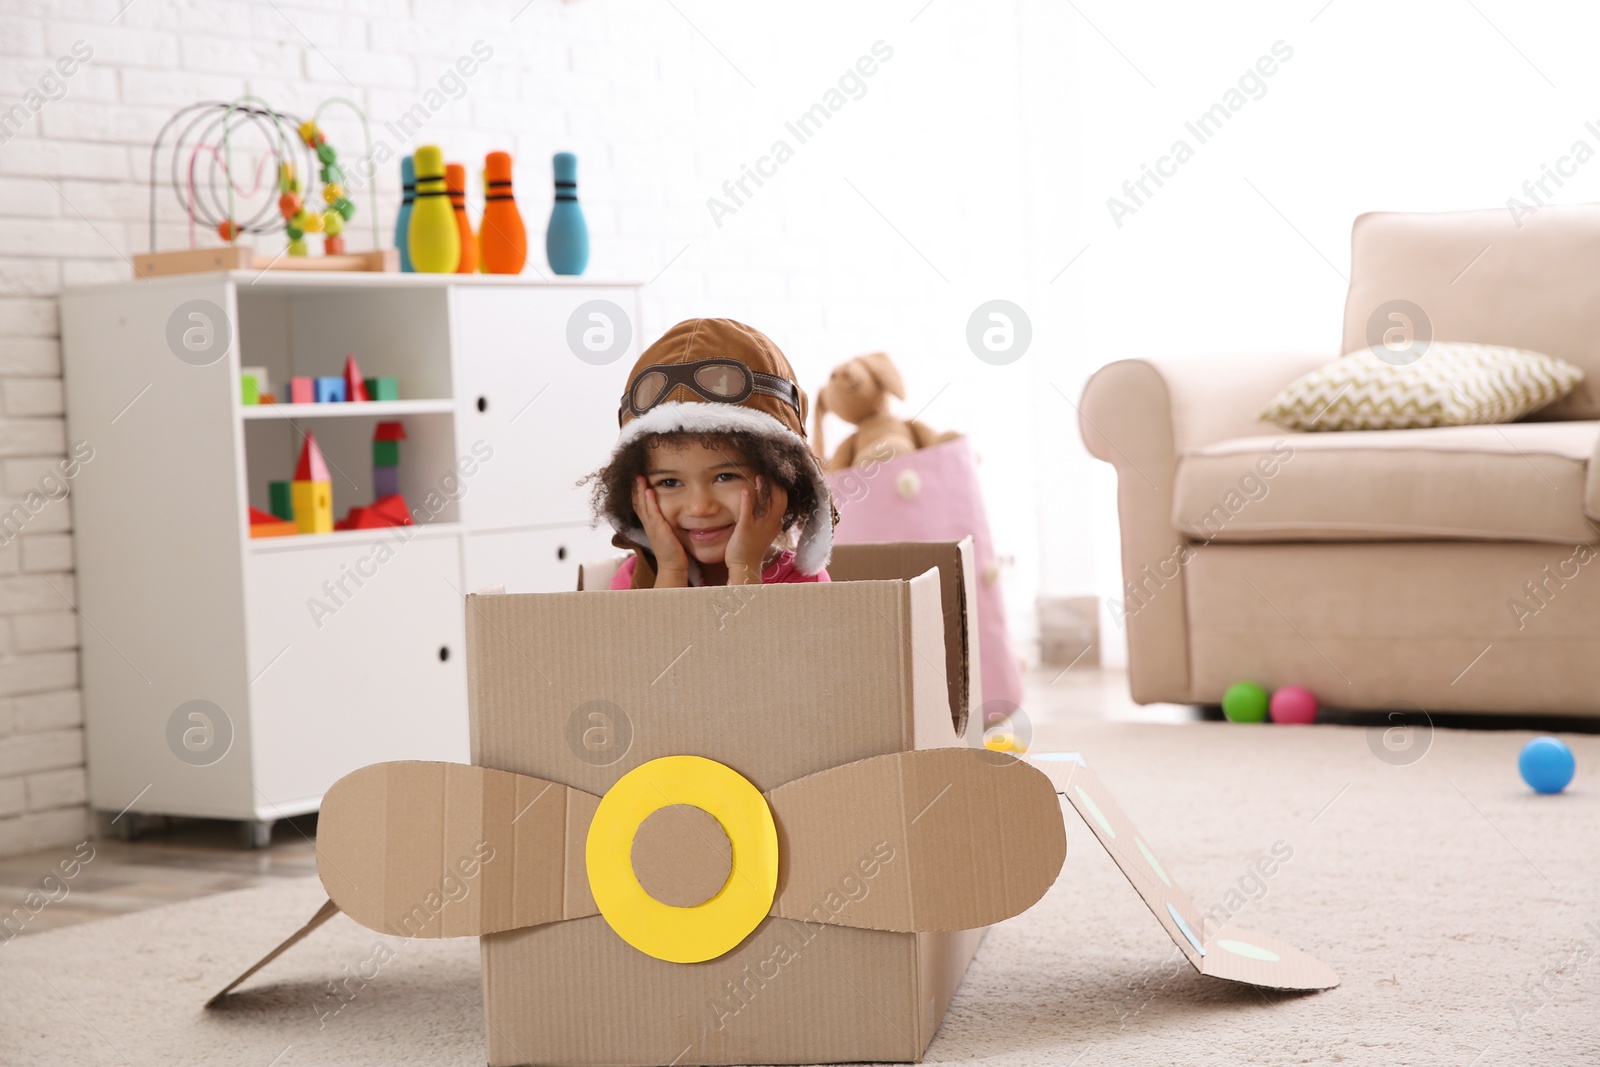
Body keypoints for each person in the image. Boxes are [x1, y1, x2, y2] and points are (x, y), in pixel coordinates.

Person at [586, 318, 838, 589]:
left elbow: (755, 633)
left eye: (726, 476)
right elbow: (657, 634)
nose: (699, 507)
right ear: (635, 494)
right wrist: (671, 570)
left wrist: (745, 568)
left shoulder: (804, 582)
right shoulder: (634, 580)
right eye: (669, 482)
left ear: (783, 480)